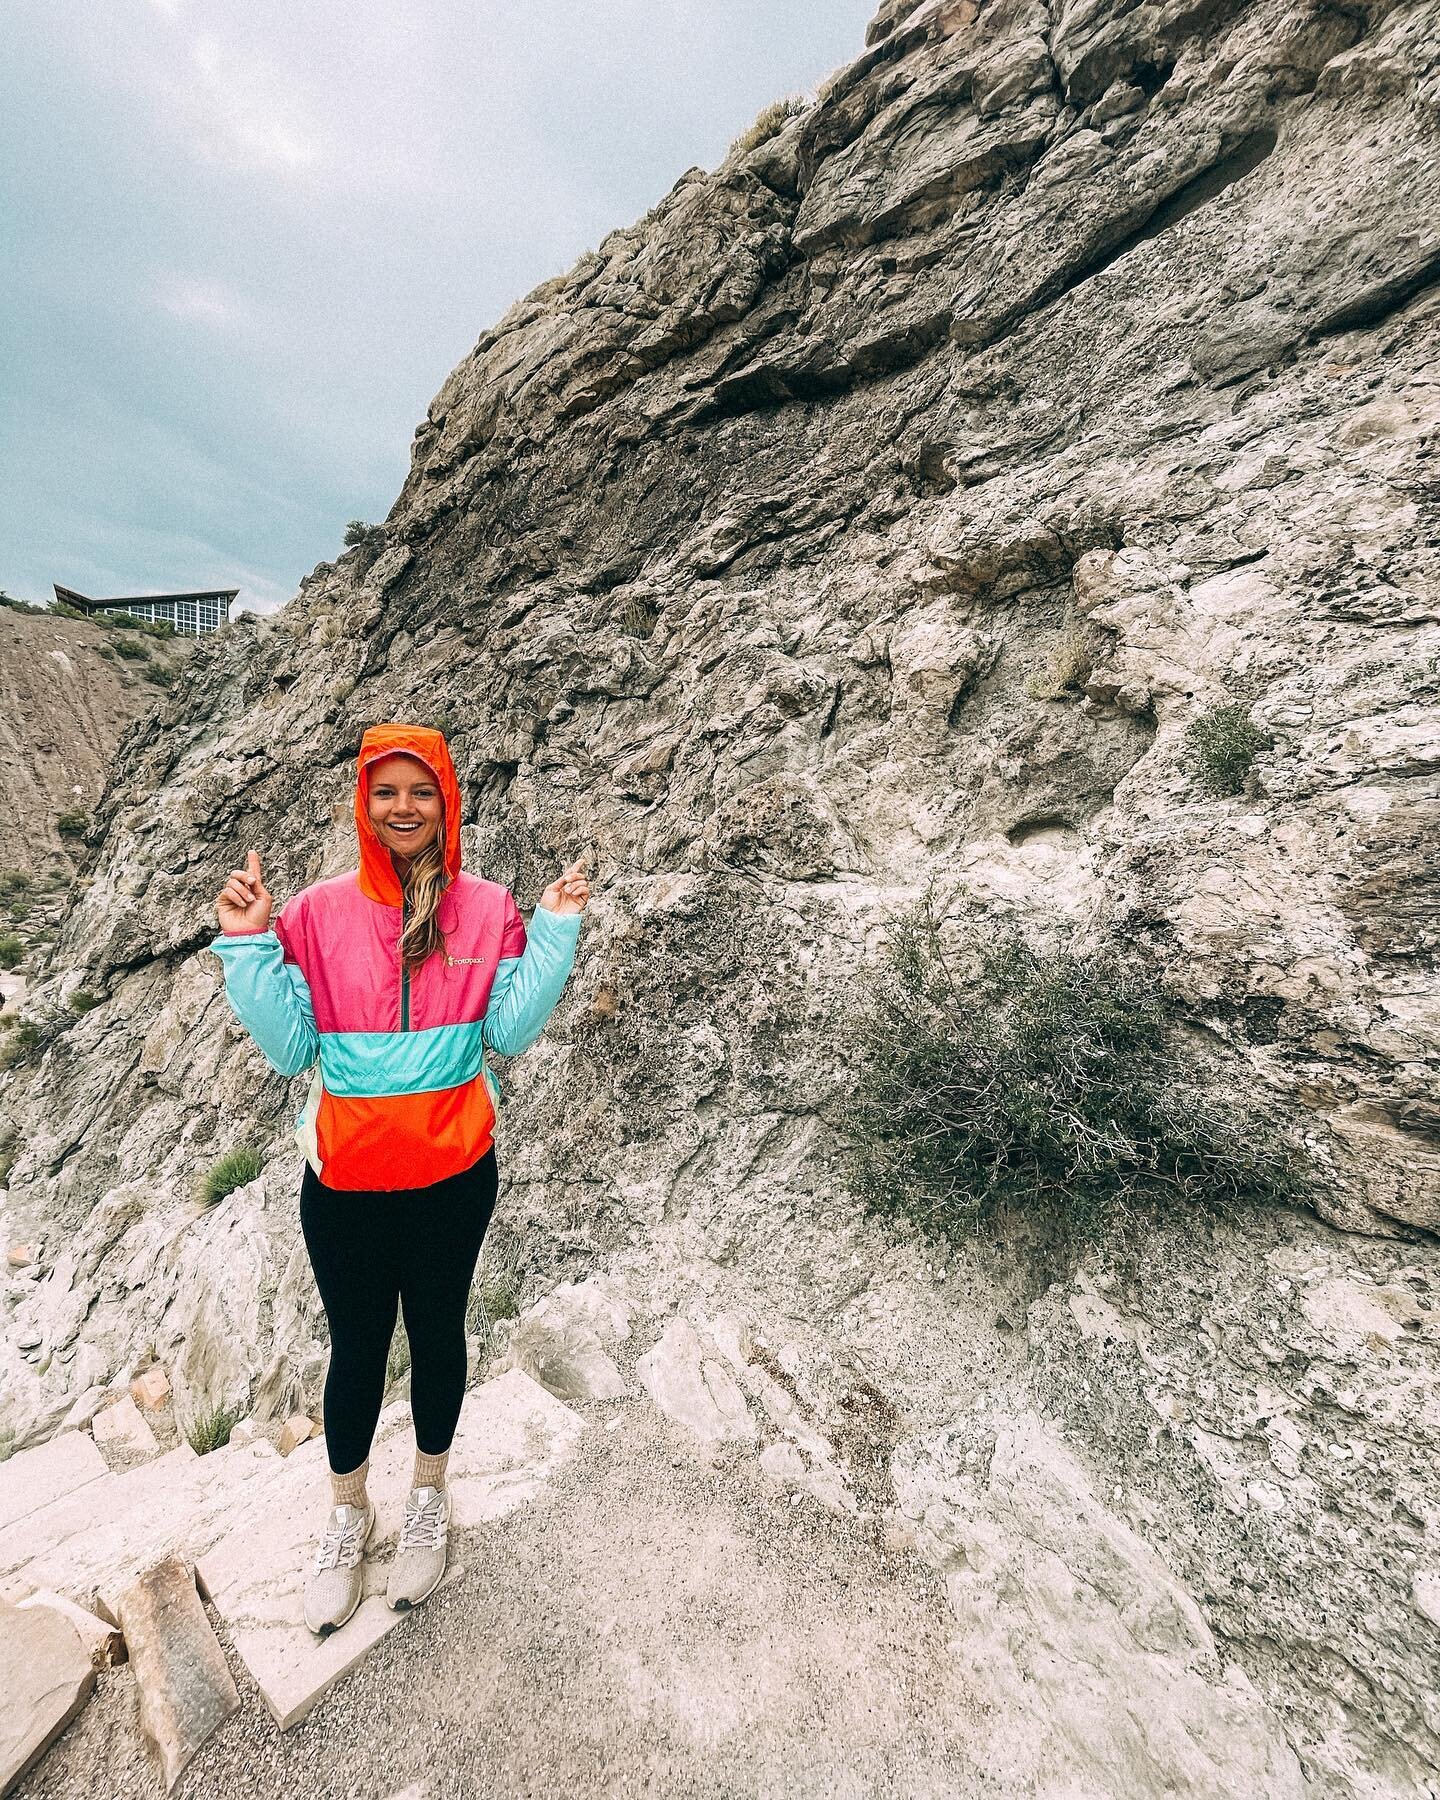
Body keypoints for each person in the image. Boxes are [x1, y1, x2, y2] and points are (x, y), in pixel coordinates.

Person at [208, 721, 589, 1635]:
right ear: (363, 803)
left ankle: (427, 1496)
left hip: (455, 1174)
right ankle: (349, 1513)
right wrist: (250, 946)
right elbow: (290, 1048)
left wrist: (555, 933)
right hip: (343, 1181)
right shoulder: (313, 912)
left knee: (438, 1335)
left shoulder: (489, 905)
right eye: (387, 791)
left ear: (446, 801)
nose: (404, 807)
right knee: (356, 1352)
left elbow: (507, 1032)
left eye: (421, 791)